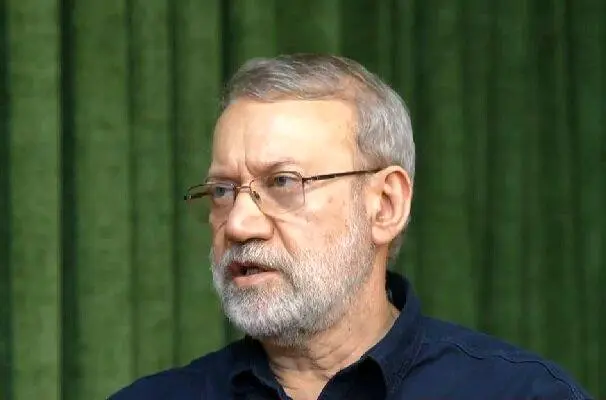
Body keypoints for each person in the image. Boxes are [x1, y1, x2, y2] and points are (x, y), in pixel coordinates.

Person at [109, 54, 591, 400]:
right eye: (222, 190)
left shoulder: (521, 392)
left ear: (385, 205)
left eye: (283, 182)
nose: (238, 223)